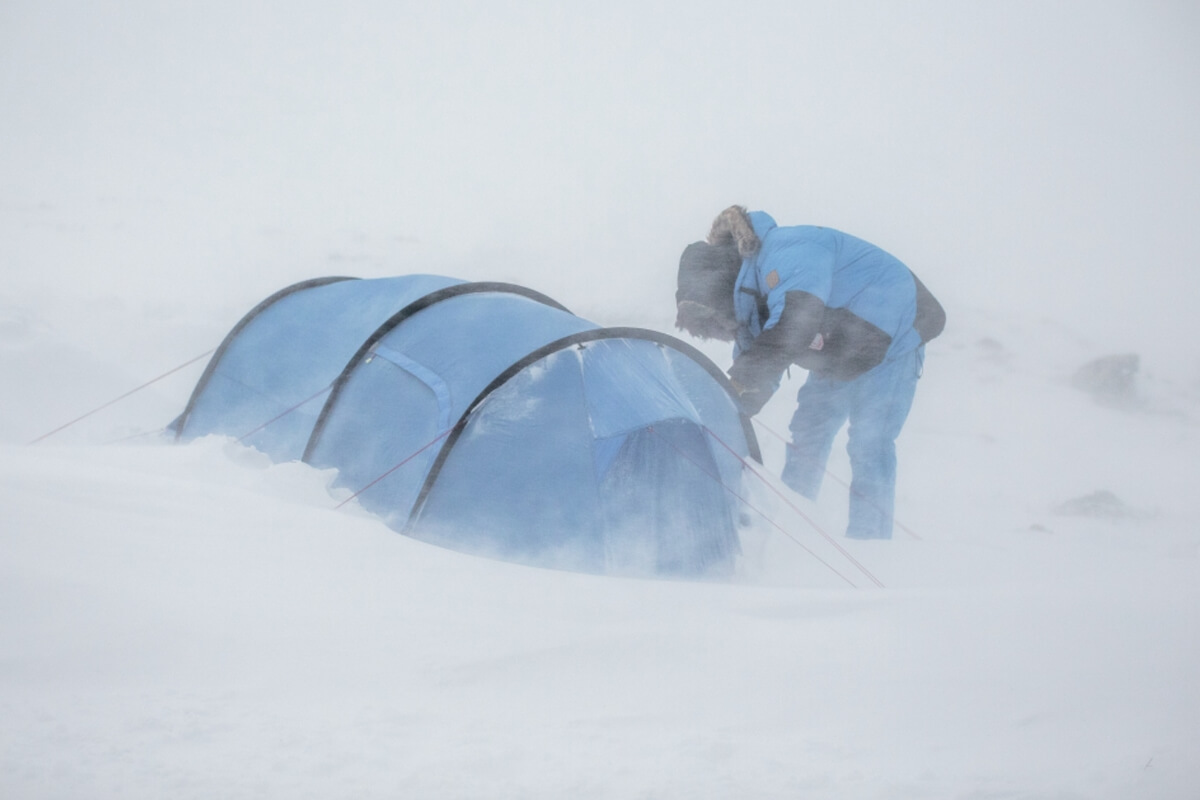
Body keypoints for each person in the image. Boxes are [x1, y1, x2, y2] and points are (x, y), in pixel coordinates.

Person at [675, 206, 945, 540]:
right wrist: (725, 409)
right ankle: (797, 529)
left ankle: (870, 545)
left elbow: (794, 324)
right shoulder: (750, 309)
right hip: (839, 351)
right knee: (809, 433)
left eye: (718, 322)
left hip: (894, 337)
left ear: (720, 289)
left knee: (868, 442)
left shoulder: (788, 250)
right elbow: (753, 375)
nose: (725, 330)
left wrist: (744, 379)